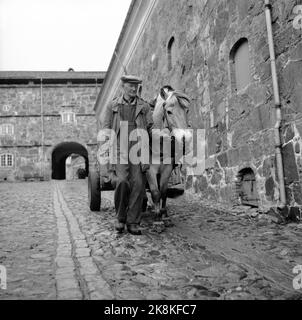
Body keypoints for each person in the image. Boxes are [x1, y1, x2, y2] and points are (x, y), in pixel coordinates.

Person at [101, 75, 153, 235]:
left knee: (138, 184)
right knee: (122, 181)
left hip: (138, 148)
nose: (133, 88)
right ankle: (120, 218)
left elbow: (150, 128)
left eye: (136, 86)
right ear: (123, 86)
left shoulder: (144, 107)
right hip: (120, 148)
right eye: (130, 85)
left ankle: (133, 222)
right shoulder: (112, 106)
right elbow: (107, 130)